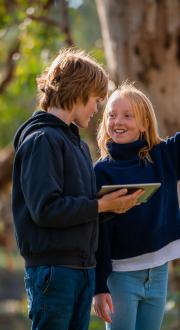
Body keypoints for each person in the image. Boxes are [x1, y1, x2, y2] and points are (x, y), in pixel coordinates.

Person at [12, 49, 142, 330]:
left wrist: (112, 202)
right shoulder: (42, 140)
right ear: (78, 92)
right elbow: (46, 210)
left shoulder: (78, 145)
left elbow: (78, 205)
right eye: (95, 101)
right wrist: (101, 206)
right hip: (53, 273)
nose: (97, 110)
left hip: (82, 270)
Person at [93, 81, 180, 330]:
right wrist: (99, 286)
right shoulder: (101, 171)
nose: (117, 121)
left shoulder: (163, 156)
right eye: (111, 115)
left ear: (144, 124)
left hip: (159, 271)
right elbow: (99, 232)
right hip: (120, 276)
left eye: (128, 116)